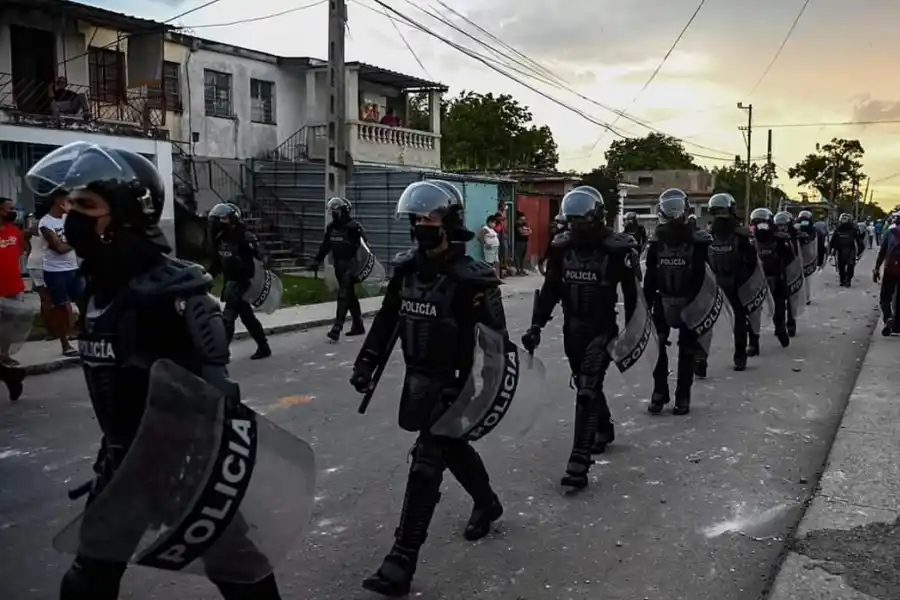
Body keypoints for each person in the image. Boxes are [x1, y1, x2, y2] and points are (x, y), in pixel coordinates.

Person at [26, 142, 285, 600]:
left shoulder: (177, 292)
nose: (72, 217)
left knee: (241, 571)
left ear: (127, 214)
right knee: (86, 582)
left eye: (87, 206)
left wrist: (201, 470)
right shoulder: (97, 287)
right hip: (122, 464)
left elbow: (219, 395)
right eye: (71, 204)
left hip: (184, 467)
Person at [350, 179, 508, 597]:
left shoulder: (473, 280)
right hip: (417, 381)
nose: (424, 223)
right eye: (418, 217)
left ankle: (400, 560)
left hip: (456, 386)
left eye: (432, 216)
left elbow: (496, 345)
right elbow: (386, 322)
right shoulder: (406, 273)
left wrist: (490, 395)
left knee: (426, 464)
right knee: (451, 450)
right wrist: (366, 362)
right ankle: (487, 502)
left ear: (451, 222)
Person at [521, 186, 638, 488]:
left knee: (587, 387)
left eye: (581, 221)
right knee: (586, 385)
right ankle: (604, 427)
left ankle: (579, 461)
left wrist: (633, 332)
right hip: (572, 331)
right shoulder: (562, 249)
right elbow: (550, 291)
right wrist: (536, 325)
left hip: (602, 329)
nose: (576, 227)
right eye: (571, 222)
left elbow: (633, 296)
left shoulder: (616, 251)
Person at [644, 189, 711, 415]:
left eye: (677, 209)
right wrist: (644, 302)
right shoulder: (656, 243)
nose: (674, 215)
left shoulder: (698, 242)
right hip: (662, 299)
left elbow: (704, 276)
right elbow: (650, 274)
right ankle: (659, 392)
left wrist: (699, 306)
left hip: (689, 301)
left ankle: (683, 396)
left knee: (687, 350)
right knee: (657, 346)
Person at [207, 203, 271, 359]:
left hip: (243, 281)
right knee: (247, 316)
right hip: (230, 282)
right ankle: (264, 347)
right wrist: (207, 277)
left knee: (228, 317)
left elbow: (261, 257)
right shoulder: (220, 238)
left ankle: (220, 353)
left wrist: (257, 253)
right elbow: (217, 262)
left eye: (224, 219)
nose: (220, 223)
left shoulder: (245, 237)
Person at [706, 193, 759, 371]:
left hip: (717, 282)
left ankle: (701, 358)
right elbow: (752, 261)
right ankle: (739, 357)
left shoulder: (708, 235)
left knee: (705, 321)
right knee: (739, 319)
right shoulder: (740, 234)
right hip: (735, 281)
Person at [311, 197, 367, 342]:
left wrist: (359, 268)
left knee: (343, 294)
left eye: (336, 211)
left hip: (351, 265)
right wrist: (316, 260)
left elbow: (363, 249)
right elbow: (325, 246)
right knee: (350, 296)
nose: (334, 214)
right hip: (339, 266)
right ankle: (358, 325)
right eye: (332, 211)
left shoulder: (354, 228)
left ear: (344, 211)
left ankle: (337, 327)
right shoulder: (331, 228)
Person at [39, 189, 82, 357]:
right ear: (59, 201)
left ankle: (79, 335)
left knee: (83, 302)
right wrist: (76, 241)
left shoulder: (68, 219)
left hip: (73, 267)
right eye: (68, 201)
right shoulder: (46, 223)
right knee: (61, 307)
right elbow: (59, 248)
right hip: (55, 271)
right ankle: (65, 343)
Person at [750, 208, 792, 351]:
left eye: (764, 223)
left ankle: (781, 329)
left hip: (776, 277)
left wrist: (785, 243)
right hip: (756, 280)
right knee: (753, 311)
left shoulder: (779, 239)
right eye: (758, 224)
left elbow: (790, 258)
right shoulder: (749, 240)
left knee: (779, 307)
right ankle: (753, 343)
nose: (762, 227)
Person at [0, 197, 27, 400]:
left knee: (9, 326)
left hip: (12, 286)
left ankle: (6, 363)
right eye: (9, 208)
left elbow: (18, 253)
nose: (14, 211)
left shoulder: (14, 232)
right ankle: (10, 374)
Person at [873, 215, 900, 336]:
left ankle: (888, 318)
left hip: (890, 269)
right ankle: (897, 325)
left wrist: (876, 269)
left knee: (885, 297)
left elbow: (882, 252)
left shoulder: (890, 233)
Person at [830, 213, 863, 287]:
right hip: (840, 250)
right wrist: (832, 249)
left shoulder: (853, 229)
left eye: (845, 219)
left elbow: (858, 241)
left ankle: (848, 280)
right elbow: (833, 241)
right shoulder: (838, 229)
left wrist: (860, 251)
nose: (844, 220)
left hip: (851, 250)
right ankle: (842, 280)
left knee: (850, 265)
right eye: (843, 218)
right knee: (841, 266)